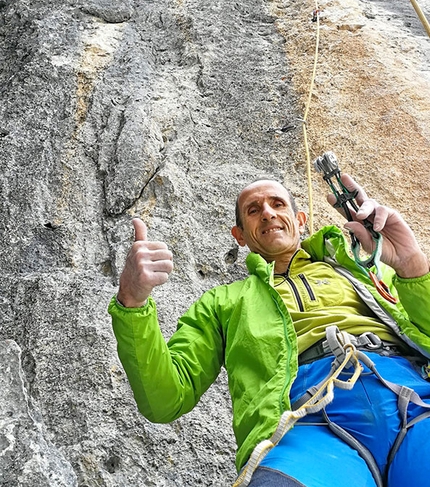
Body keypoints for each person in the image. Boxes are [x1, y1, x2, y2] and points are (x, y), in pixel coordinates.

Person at [108, 174, 430, 487]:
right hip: (307, 424)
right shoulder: (223, 303)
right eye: (253, 209)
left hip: (413, 401)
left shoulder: (363, 271)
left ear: (300, 219)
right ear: (240, 236)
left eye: (278, 204)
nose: (267, 212)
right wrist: (132, 302)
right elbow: (165, 399)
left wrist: (411, 263)